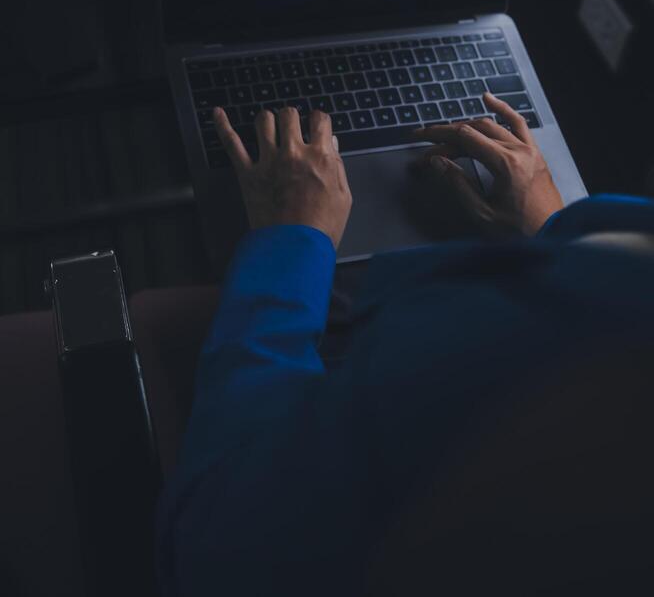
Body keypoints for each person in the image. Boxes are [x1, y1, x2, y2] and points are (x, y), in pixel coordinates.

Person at [156, 92, 654, 597]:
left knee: (151, 321)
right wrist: (556, 232)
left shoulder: (513, 362)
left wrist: (291, 239)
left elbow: (218, 550)